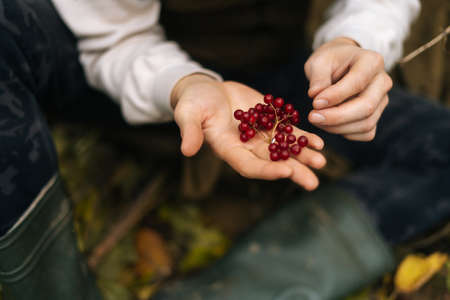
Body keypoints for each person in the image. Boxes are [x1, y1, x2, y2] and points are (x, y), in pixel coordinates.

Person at [0, 0, 449, 299]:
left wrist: (354, 40)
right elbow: (114, 39)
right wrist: (185, 84)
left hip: (275, 66)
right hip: (114, 62)